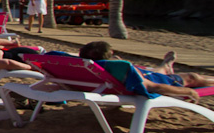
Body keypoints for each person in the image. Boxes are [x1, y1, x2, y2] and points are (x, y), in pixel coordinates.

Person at [78, 41, 214, 103]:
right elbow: (154, 87)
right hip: (159, 81)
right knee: (192, 77)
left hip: (121, 81)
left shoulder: (84, 68)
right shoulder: (121, 69)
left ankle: (165, 66)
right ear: (110, 53)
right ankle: (166, 67)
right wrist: (189, 92)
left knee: (151, 72)